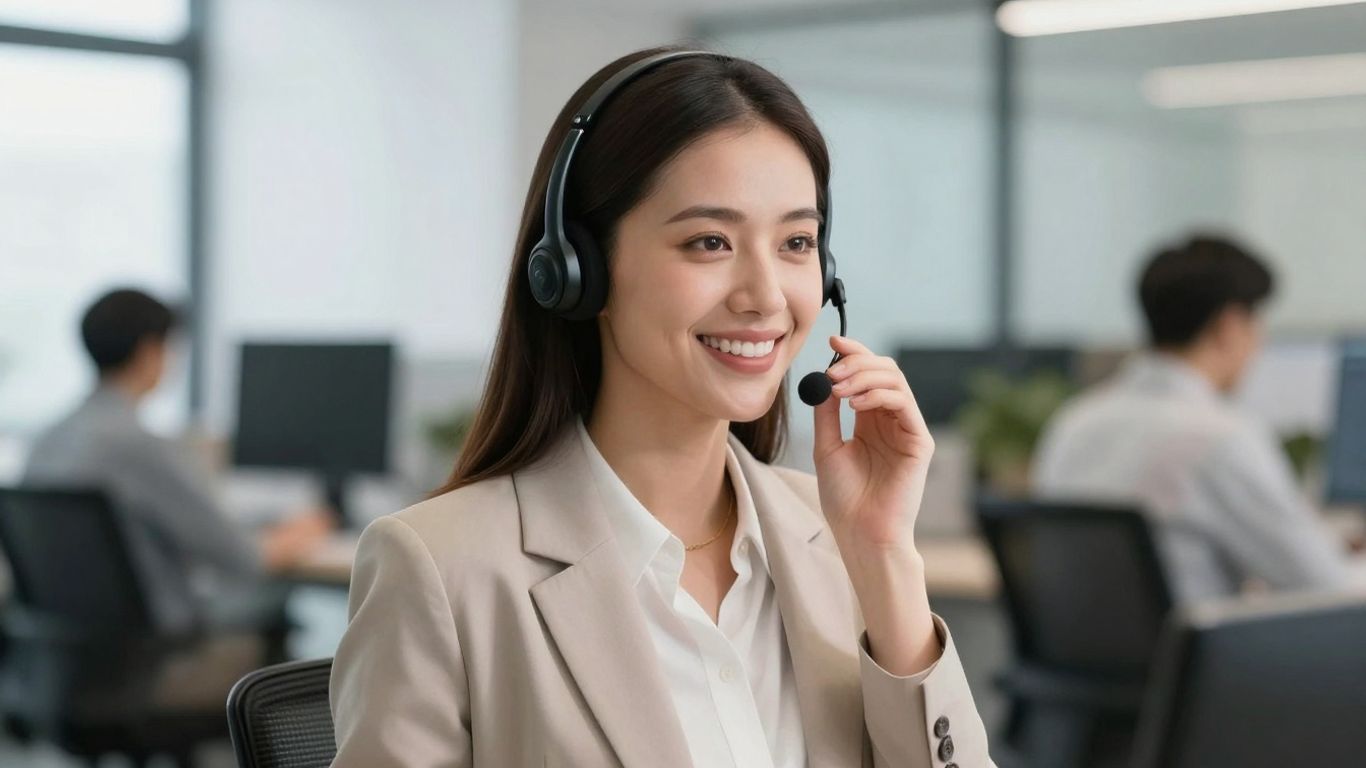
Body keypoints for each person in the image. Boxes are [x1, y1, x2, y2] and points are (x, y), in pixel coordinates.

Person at [328, 47, 992, 767]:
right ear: (580, 270)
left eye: (796, 242)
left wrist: (885, 557)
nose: (767, 295)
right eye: (710, 242)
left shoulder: (835, 540)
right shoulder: (443, 567)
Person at [1032, 235, 1358, 603]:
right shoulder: (1220, 437)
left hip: (1081, 660)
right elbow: (1326, 586)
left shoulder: (1073, 423)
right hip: (1196, 659)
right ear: (1229, 327)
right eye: (1256, 324)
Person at [22, 288, 334, 639]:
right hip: (159, 642)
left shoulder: (44, 440)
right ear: (149, 351)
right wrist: (303, 531)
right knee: (280, 593)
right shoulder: (141, 447)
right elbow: (241, 557)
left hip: (69, 647)